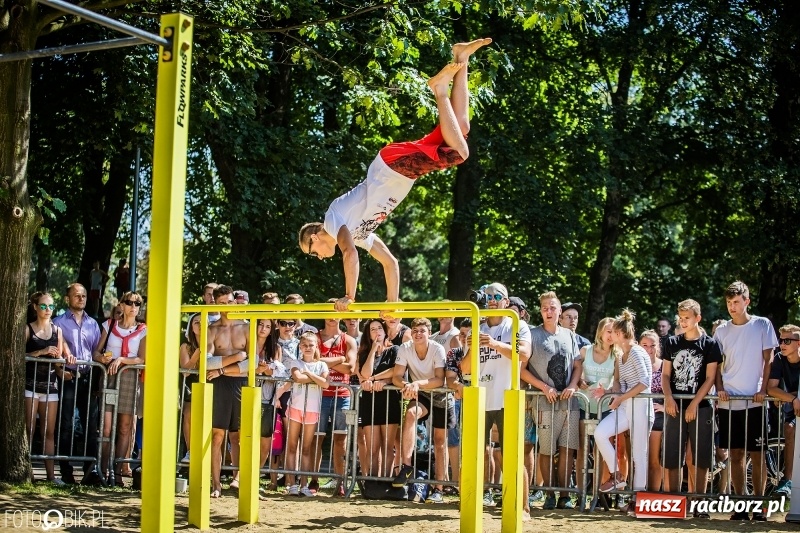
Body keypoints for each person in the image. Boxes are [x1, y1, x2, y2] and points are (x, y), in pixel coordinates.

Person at [298, 38, 492, 311]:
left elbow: (349, 254)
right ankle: (462, 58)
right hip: (398, 169)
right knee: (460, 128)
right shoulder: (359, 234)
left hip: (392, 168)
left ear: (315, 237)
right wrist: (392, 302)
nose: (318, 257)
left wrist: (349, 297)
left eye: (313, 252)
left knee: (460, 152)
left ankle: (439, 88)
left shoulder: (333, 222)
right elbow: (390, 262)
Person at [461, 282, 531, 513]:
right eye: (488, 295)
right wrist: (471, 348)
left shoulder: (517, 324)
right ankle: (473, 504)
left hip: (506, 398)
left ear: (506, 300)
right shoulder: (475, 325)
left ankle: (523, 508)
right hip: (480, 399)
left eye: (496, 295)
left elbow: (523, 355)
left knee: (512, 455)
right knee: (475, 455)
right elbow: (465, 369)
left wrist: (494, 344)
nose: (491, 299)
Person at [714, 281, 777, 521]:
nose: (732, 306)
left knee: (758, 454)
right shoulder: (721, 330)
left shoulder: (762, 324)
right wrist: (720, 388)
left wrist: (763, 389)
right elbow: (716, 365)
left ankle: (760, 505)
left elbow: (768, 360)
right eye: (729, 303)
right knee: (737, 454)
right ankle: (740, 503)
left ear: (746, 301)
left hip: (756, 401)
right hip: (730, 400)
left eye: (736, 302)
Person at [522, 292, 582, 510]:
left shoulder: (569, 335)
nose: (549, 311)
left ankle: (565, 495)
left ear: (559, 311)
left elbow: (577, 365)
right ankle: (548, 492)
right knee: (546, 449)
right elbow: (521, 370)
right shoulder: (532, 334)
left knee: (567, 449)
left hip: (569, 403)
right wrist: (543, 387)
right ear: (541, 311)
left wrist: (573, 385)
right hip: (543, 402)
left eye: (553, 307)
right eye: (545, 307)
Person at [661, 299, 721, 516]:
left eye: (687, 318)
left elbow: (710, 378)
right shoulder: (672, 343)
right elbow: (666, 375)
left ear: (698, 318)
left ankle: (700, 503)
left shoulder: (710, 345)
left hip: (701, 406)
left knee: (700, 456)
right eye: (681, 318)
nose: (683, 321)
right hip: (675, 404)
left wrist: (694, 403)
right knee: (672, 455)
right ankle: (674, 503)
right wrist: (668, 398)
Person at [390, 318, 454, 504]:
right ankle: (407, 466)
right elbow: (396, 376)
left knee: (440, 441)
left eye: (422, 331)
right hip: (422, 394)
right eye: (415, 330)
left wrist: (416, 384)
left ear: (429, 333)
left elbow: (439, 379)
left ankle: (439, 488)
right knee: (410, 414)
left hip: (441, 395)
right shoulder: (405, 347)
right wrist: (408, 385)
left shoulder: (437, 348)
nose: (418, 334)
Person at [595, 309, 653, 513]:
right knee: (600, 433)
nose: (611, 337)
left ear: (620, 334)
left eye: (614, 333)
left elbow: (644, 382)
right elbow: (619, 382)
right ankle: (618, 475)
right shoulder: (621, 356)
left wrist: (620, 397)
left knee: (639, 454)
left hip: (640, 406)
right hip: (627, 405)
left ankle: (639, 500)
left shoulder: (637, 352)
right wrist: (609, 391)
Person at [94, 291, 146, 485]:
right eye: (129, 302)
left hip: (129, 378)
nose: (134, 306)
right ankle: (102, 470)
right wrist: (102, 358)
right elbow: (96, 352)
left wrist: (122, 359)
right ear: (122, 305)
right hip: (110, 377)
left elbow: (141, 358)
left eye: (138, 303)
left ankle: (117, 473)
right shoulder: (110, 325)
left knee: (125, 428)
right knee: (107, 428)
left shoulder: (142, 329)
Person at [53, 283, 103, 485]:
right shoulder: (58, 323)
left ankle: (90, 472)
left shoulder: (93, 324)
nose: (81, 298)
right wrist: (60, 366)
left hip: (88, 378)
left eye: (83, 295)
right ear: (67, 299)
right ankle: (66, 472)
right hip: (68, 378)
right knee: (65, 426)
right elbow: (55, 351)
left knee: (91, 427)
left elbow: (96, 352)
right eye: (76, 295)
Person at [204, 285, 250, 497]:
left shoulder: (247, 327)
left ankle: (239, 480)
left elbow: (253, 361)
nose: (227, 306)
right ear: (215, 304)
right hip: (219, 385)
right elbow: (206, 362)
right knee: (217, 436)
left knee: (242, 436)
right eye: (222, 303)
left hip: (240, 383)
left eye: (230, 302)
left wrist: (223, 369)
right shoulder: (212, 329)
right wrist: (235, 358)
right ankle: (215, 484)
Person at [25, 292, 70, 485]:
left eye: (51, 306)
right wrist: (41, 352)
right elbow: (19, 354)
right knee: (29, 430)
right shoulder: (27, 329)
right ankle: (28, 473)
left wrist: (64, 371)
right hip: (30, 385)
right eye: (43, 306)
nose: (47, 310)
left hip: (51, 386)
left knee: (48, 432)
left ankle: (51, 477)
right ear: (35, 307)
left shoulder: (57, 331)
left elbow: (59, 363)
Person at [312, 306, 357, 496]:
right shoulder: (314, 336)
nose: (332, 317)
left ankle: (340, 481)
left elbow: (351, 368)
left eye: (336, 313)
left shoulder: (349, 339)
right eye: (328, 312)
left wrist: (324, 361)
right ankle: (313, 480)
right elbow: (311, 362)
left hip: (342, 395)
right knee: (317, 438)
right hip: (318, 394)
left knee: (341, 440)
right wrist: (339, 359)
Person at [576, 318, 618, 497]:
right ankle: (579, 493)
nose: (611, 336)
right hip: (583, 405)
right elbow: (575, 374)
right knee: (581, 450)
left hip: (605, 408)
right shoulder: (586, 350)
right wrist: (580, 381)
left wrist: (607, 391)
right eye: (608, 331)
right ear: (600, 331)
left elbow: (617, 383)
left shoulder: (617, 355)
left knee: (599, 450)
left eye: (614, 332)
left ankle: (598, 493)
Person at [285, 332, 329, 497]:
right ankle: (292, 484)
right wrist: (314, 378)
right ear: (300, 347)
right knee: (291, 446)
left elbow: (325, 383)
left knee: (306, 448)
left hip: (312, 409)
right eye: (304, 345)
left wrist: (309, 374)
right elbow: (297, 378)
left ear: (316, 346)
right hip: (295, 407)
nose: (308, 348)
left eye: (311, 345)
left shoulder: (321, 365)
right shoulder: (295, 362)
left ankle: (304, 484)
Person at [357, 319, 402, 477]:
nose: (376, 332)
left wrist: (379, 380)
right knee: (373, 447)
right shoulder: (363, 353)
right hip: (370, 403)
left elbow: (395, 371)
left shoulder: (395, 350)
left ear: (385, 331)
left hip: (389, 402)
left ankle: (386, 480)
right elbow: (365, 374)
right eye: (372, 330)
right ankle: (373, 480)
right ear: (368, 335)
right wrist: (373, 349)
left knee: (388, 446)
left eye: (379, 328)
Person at [254, 319, 290, 497]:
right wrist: (261, 369)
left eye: (268, 326)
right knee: (244, 440)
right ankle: (240, 478)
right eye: (261, 325)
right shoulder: (247, 343)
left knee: (265, 443)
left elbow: (278, 372)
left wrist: (264, 370)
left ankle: (254, 479)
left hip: (267, 399)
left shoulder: (275, 348)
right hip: (244, 395)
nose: (263, 329)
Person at [767, 324, 800, 498]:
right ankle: (787, 481)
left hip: (791, 401)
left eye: (787, 340)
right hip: (793, 407)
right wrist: (793, 399)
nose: (782, 344)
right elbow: (771, 389)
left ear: (799, 343)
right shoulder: (779, 358)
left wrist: (788, 396)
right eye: (781, 340)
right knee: (789, 429)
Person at [638, 329, 663, 492]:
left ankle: (652, 496)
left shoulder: (664, 365)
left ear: (658, 346)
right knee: (638, 458)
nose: (648, 349)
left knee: (653, 459)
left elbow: (673, 389)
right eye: (644, 345)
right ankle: (635, 496)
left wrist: (664, 404)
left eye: (652, 345)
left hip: (658, 415)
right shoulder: (636, 362)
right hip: (638, 412)